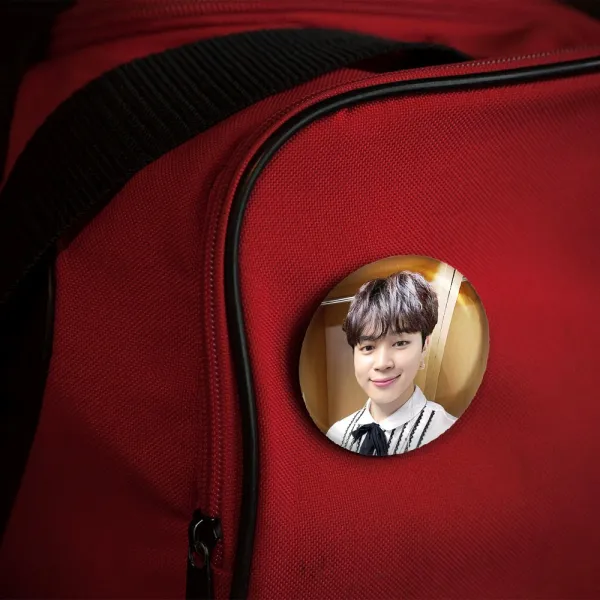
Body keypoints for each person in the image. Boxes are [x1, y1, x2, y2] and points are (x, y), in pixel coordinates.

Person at [326, 271, 457, 456]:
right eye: (368, 347)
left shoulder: (449, 434)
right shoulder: (336, 434)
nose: (382, 363)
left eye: (400, 343)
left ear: (424, 346)